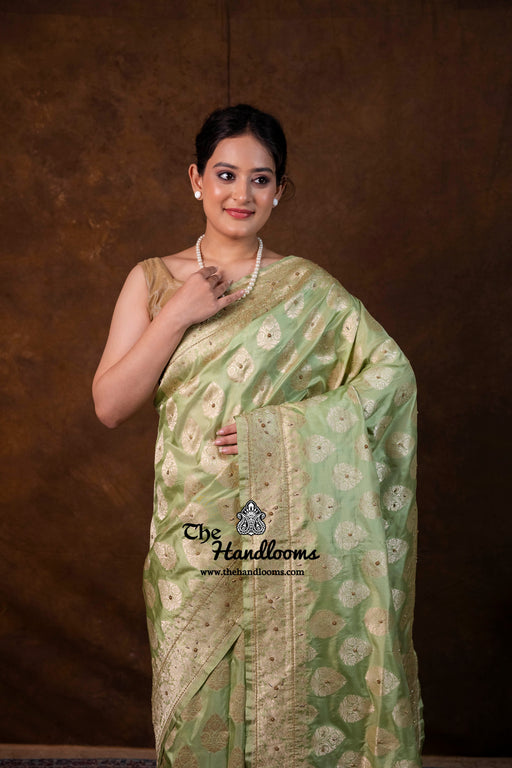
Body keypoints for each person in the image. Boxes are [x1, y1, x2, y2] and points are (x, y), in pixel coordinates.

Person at [93, 104, 424, 768]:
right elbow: (110, 405)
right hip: (194, 536)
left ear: (279, 191)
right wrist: (178, 314)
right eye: (225, 174)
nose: (240, 194)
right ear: (196, 179)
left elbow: (392, 378)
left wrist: (275, 434)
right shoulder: (152, 280)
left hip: (285, 527)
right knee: (196, 714)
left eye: (260, 179)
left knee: (291, 696)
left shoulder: (310, 290)